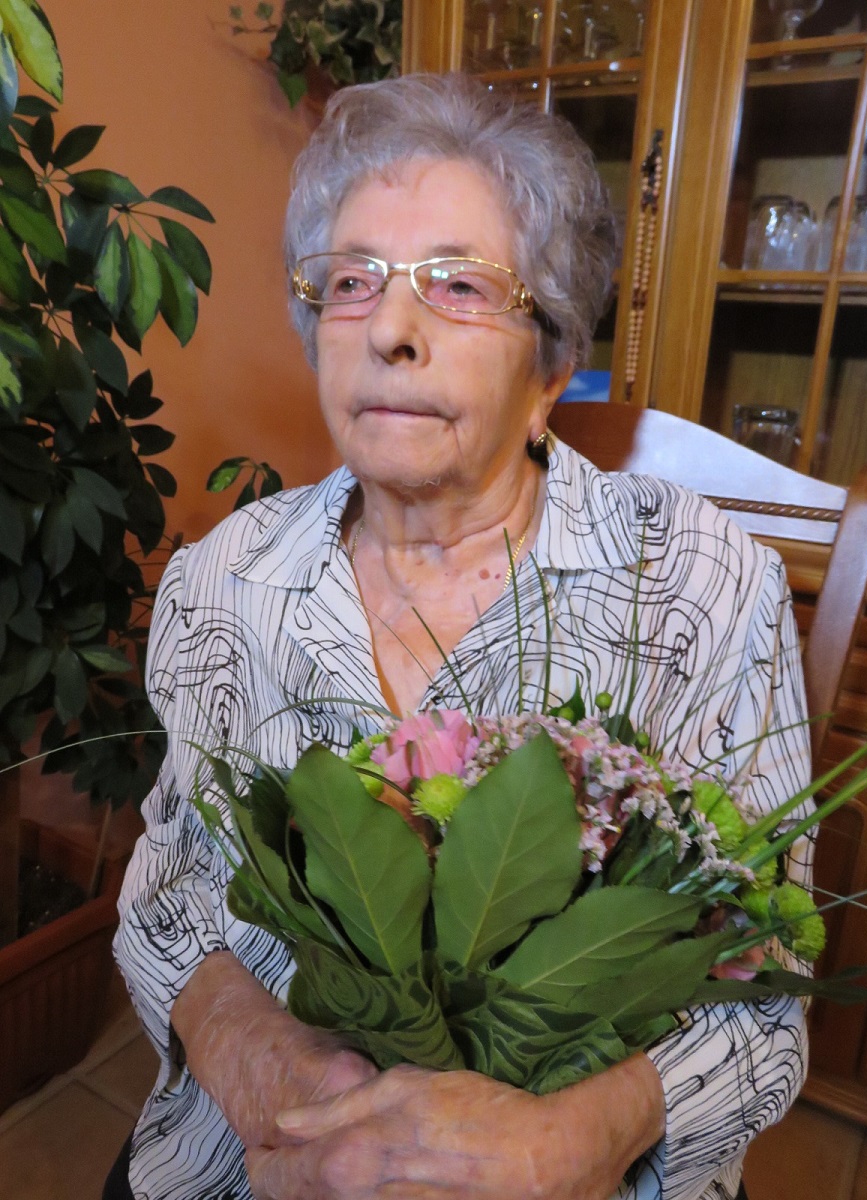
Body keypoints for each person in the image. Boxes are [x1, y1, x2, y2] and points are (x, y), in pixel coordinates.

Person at [110, 73, 812, 1200]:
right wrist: (261, 1066)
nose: (391, 329)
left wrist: (579, 1137)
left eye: (459, 284)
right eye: (353, 282)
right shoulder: (222, 580)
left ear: (548, 370)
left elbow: (766, 976)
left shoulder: (701, 585)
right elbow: (170, 886)